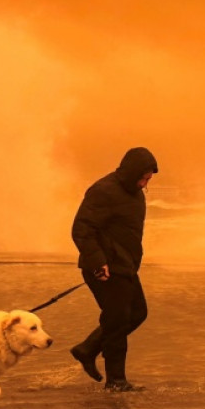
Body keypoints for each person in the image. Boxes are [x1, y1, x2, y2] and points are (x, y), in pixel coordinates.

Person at [70, 147, 158, 392]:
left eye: (148, 179)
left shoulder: (135, 192)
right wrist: (98, 263)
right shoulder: (103, 191)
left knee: (138, 312)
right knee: (117, 320)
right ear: (131, 173)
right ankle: (116, 381)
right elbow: (81, 229)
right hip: (104, 268)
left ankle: (87, 349)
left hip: (125, 266)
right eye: (143, 178)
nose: (144, 183)